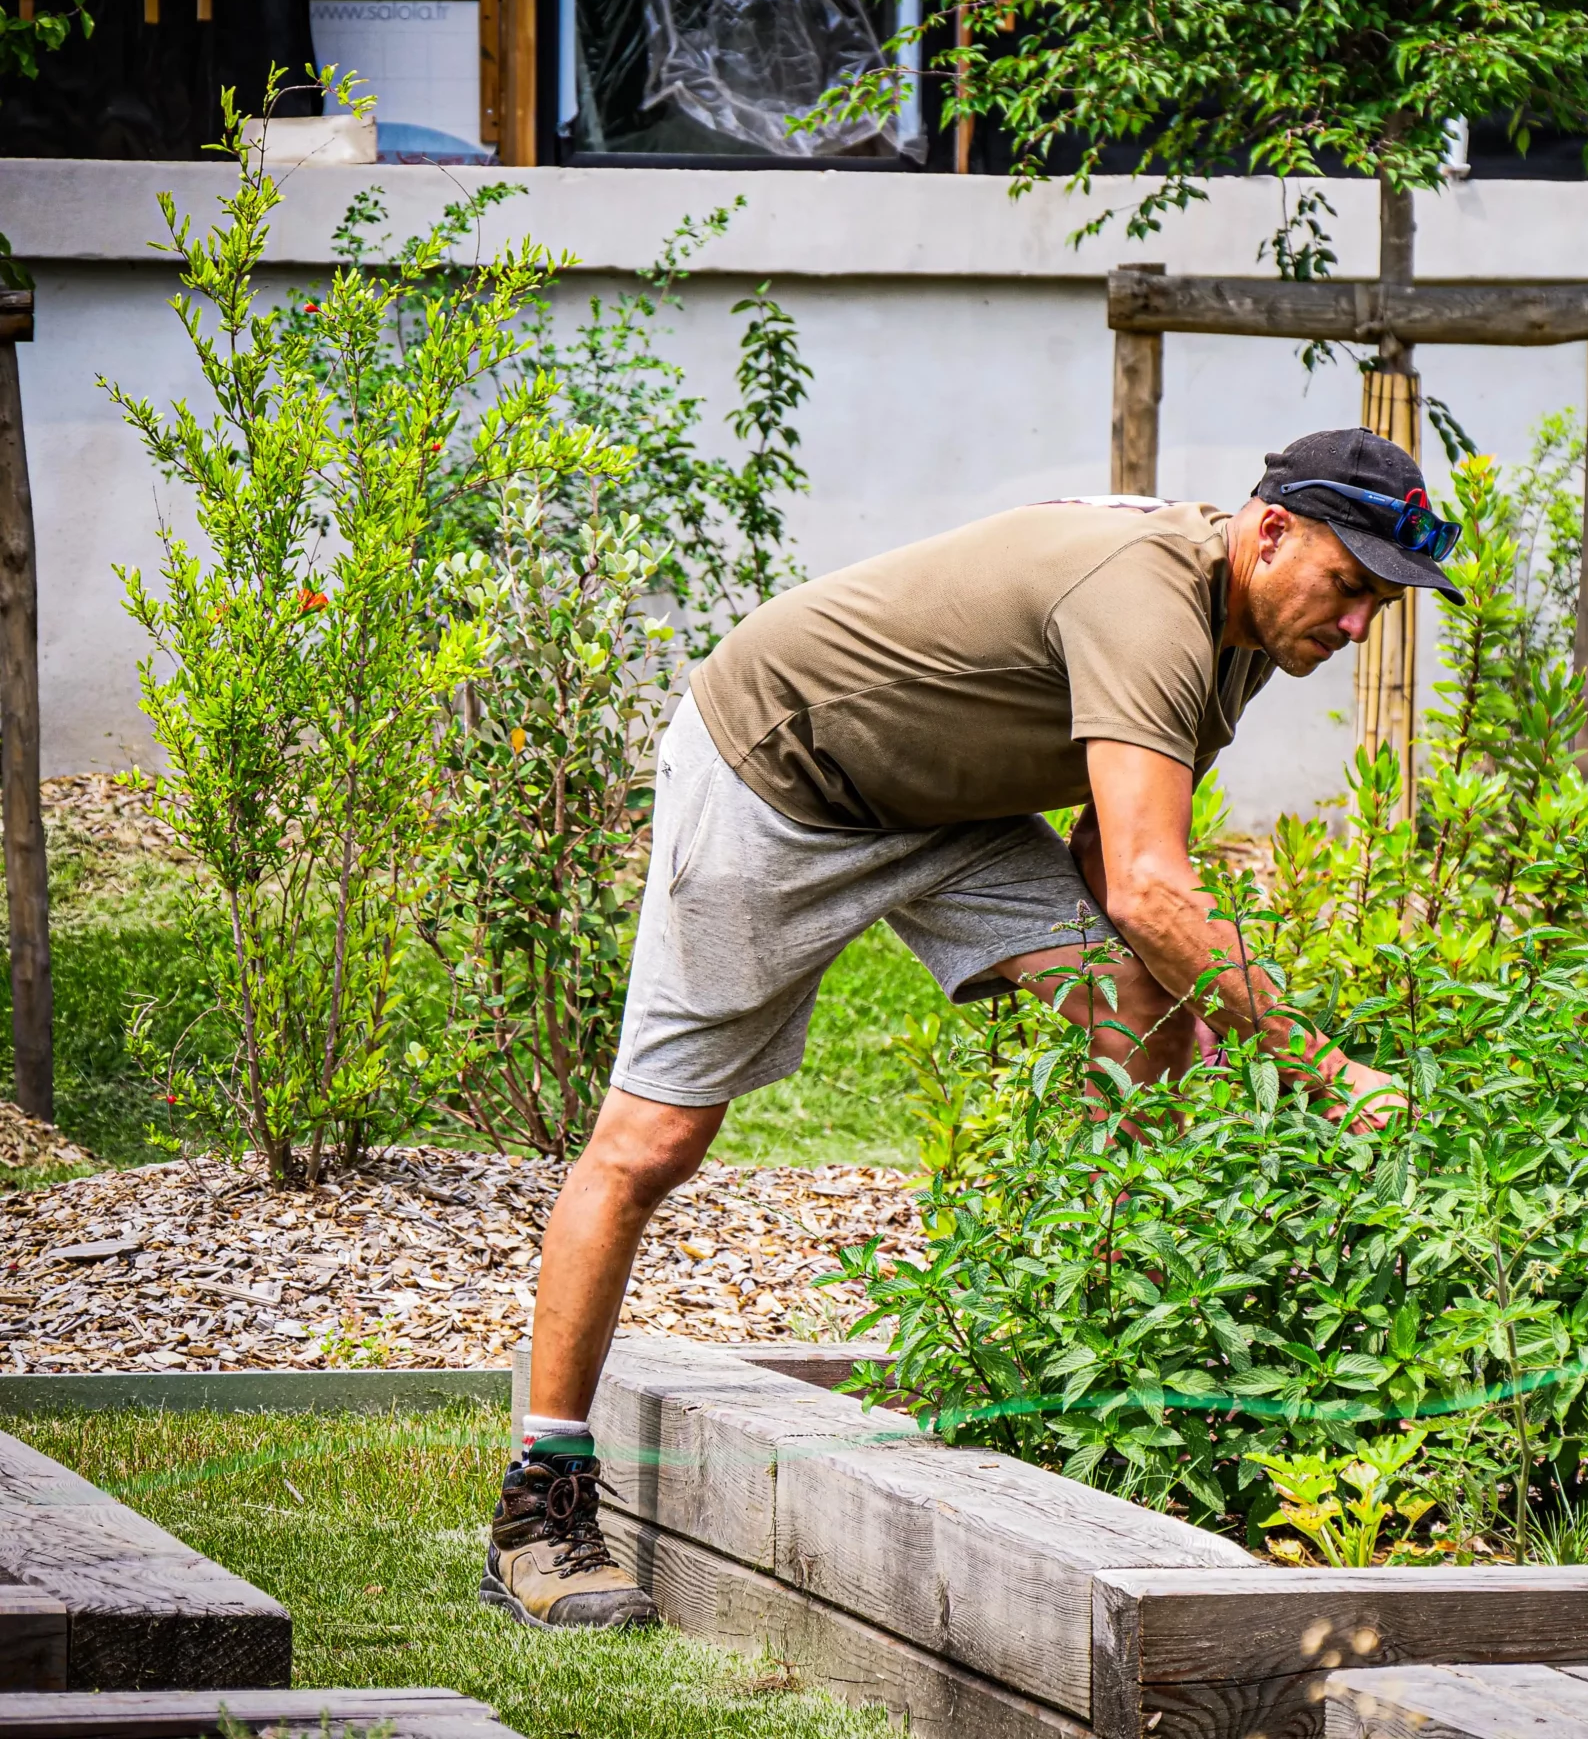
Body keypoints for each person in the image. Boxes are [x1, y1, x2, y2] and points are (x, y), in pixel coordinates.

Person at [482, 428, 1463, 1628]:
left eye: (1381, 602)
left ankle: (1130, 1360)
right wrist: (1323, 1071)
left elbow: (1113, 858)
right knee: (652, 1144)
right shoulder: (1149, 600)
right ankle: (541, 1500)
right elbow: (1156, 887)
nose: (1360, 625)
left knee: (1141, 1010)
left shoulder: (1243, 636)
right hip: (779, 772)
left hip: (944, 808)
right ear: (1269, 533)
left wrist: (1194, 1052)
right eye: (1351, 587)